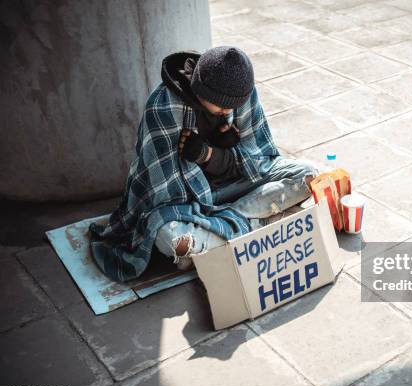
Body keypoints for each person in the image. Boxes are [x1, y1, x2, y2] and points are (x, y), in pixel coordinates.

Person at [89, 46, 319, 282]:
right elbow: (168, 194)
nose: (229, 111)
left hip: (231, 187)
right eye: (222, 106)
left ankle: (224, 232)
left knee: (308, 175)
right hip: (187, 200)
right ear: (201, 90)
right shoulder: (163, 107)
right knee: (171, 238)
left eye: (233, 106)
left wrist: (214, 154)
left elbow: (258, 161)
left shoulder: (241, 92)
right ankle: (259, 222)